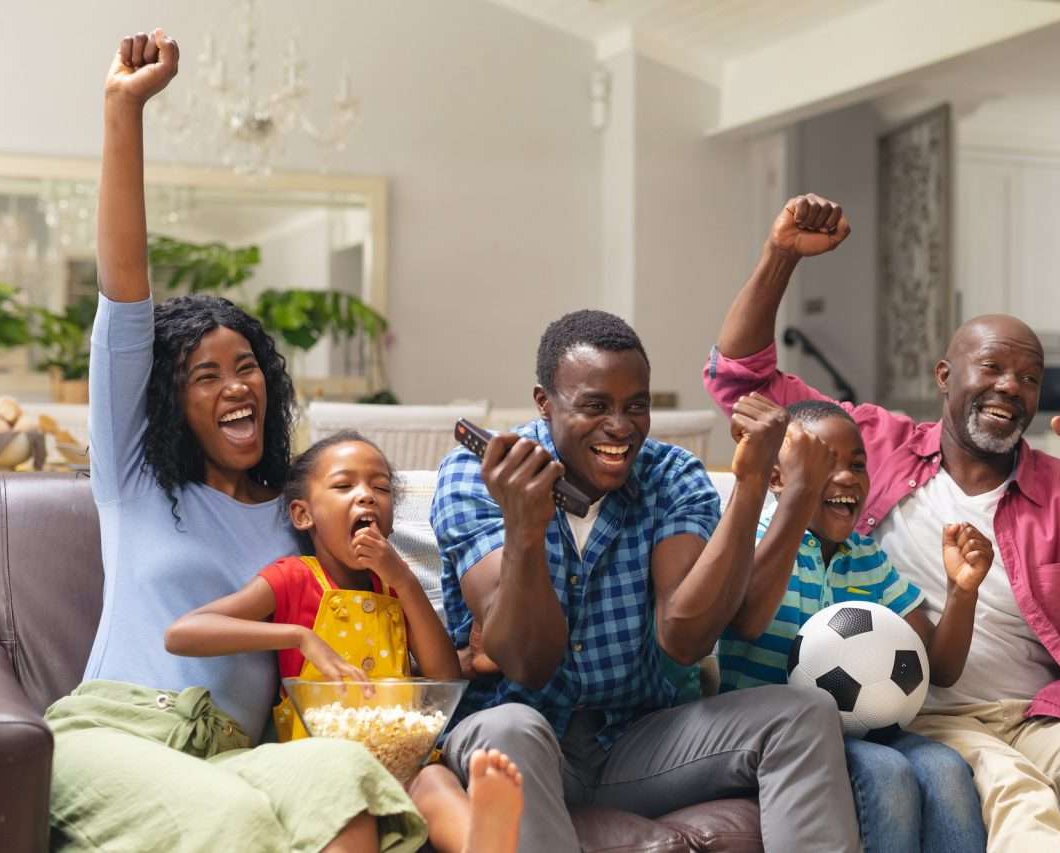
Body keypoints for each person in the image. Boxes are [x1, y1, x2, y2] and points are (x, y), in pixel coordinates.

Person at [703, 192, 1060, 853]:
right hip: (927, 712)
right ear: (945, 375)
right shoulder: (871, 445)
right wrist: (780, 255)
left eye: (1029, 377)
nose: (1011, 386)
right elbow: (740, 379)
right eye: (992, 367)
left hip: (1044, 713)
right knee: (1015, 791)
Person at [44, 30, 423, 853]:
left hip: (237, 756)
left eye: (246, 367)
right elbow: (125, 293)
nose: (236, 386)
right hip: (113, 734)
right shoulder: (135, 478)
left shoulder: (298, 514)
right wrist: (123, 110)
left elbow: (390, 567)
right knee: (236, 820)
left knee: (345, 779)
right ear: (169, 402)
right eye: (205, 376)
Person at [431, 310, 862, 853]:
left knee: (805, 714)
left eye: (637, 405)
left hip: (637, 741)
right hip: (522, 745)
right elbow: (525, 661)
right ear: (544, 403)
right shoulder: (476, 474)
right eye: (595, 406)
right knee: (508, 729)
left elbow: (684, 639)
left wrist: (751, 482)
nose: (621, 426)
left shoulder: (671, 475)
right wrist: (525, 528)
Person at [166, 431, 523, 853]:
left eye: (381, 488)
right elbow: (183, 633)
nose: (367, 495)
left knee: (435, 780)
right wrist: (298, 636)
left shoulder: (394, 588)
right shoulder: (294, 577)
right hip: (323, 764)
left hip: (400, 760)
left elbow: (443, 677)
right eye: (343, 485)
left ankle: (480, 842)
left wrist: (404, 580)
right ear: (304, 515)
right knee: (346, 808)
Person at [717, 399, 990, 852]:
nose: (846, 477)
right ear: (777, 478)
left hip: (864, 725)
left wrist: (962, 591)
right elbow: (745, 622)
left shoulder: (866, 557)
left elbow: (939, 669)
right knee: (887, 773)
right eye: (823, 464)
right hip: (778, 735)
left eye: (857, 465)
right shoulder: (752, 539)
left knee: (947, 769)